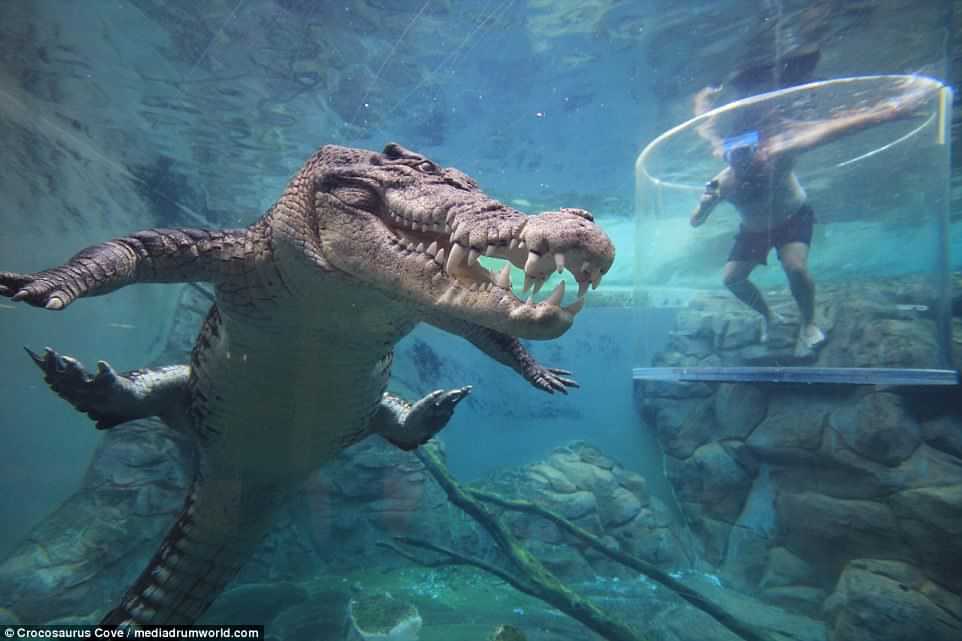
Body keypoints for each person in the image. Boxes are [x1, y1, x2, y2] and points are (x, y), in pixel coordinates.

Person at [689, 78, 930, 357]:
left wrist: (889, 113)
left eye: (750, 154)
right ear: (728, 159)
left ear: (758, 149)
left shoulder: (779, 154)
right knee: (732, 280)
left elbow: (834, 130)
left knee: (796, 268)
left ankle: (809, 322)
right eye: (737, 158)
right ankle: (768, 315)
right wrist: (705, 207)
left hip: (793, 217)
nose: (746, 162)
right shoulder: (722, 184)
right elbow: (695, 221)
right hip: (753, 230)